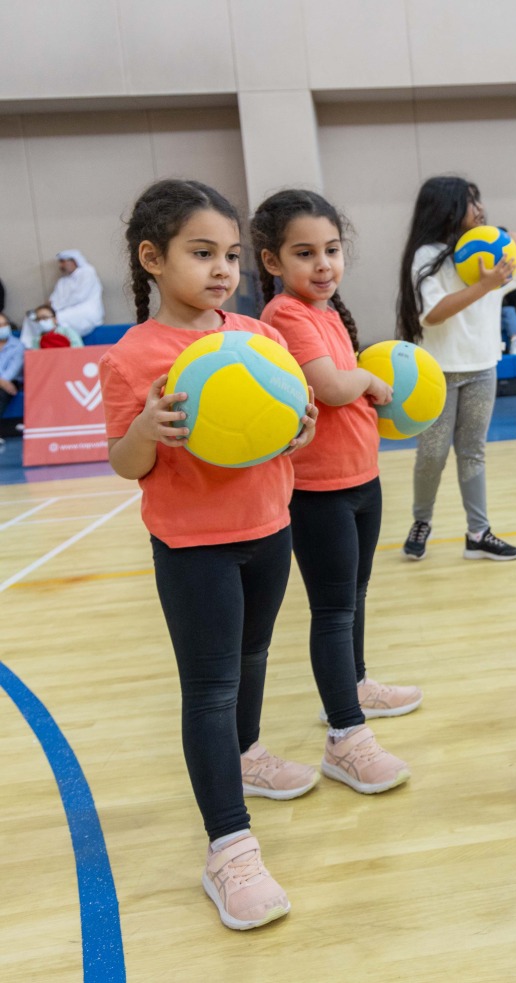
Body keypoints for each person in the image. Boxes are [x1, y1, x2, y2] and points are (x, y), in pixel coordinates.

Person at [99, 178, 318, 931]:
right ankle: (228, 845)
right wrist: (144, 431)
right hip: (194, 548)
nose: (222, 269)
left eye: (230, 254)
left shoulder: (260, 337)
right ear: (153, 258)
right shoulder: (135, 355)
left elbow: (291, 432)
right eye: (202, 253)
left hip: (270, 529)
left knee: (254, 659)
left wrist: (299, 427)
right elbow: (125, 463)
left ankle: (247, 754)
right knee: (211, 688)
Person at [252, 189, 418, 795]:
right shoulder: (286, 316)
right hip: (318, 490)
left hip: (359, 481)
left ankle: (353, 686)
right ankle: (345, 737)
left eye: (332, 249)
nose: (323, 264)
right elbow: (330, 387)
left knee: (356, 592)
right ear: (272, 262)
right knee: (333, 608)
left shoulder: (323, 312)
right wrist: (371, 378)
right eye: (305, 253)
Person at [396, 176, 516, 561]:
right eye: (469, 201)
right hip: (437, 373)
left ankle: (478, 533)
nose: (478, 207)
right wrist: (485, 284)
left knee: (473, 452)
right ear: (446, 208)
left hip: (482, 368)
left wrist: (506, 234)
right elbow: (433, 315)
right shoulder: (427, 255)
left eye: (478, 200)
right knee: (433, 453)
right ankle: (421, 521)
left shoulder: (487, 247)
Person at [49, 249, 105, 336]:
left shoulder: (87, 272)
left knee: (55, 319)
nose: (60, 265)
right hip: (64, 311)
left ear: (74, 261)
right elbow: (53, 299)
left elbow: (79, 297)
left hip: (86, 311)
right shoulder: (63, 281)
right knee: (41, 319)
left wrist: (55, 308)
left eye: (63, 262)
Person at [0, 311, 22, 447]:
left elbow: (11, 372)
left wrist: (2, 382)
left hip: (11, 382)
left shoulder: (18, 346)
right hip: (4, 383)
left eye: (4, 324)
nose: (2, 328)